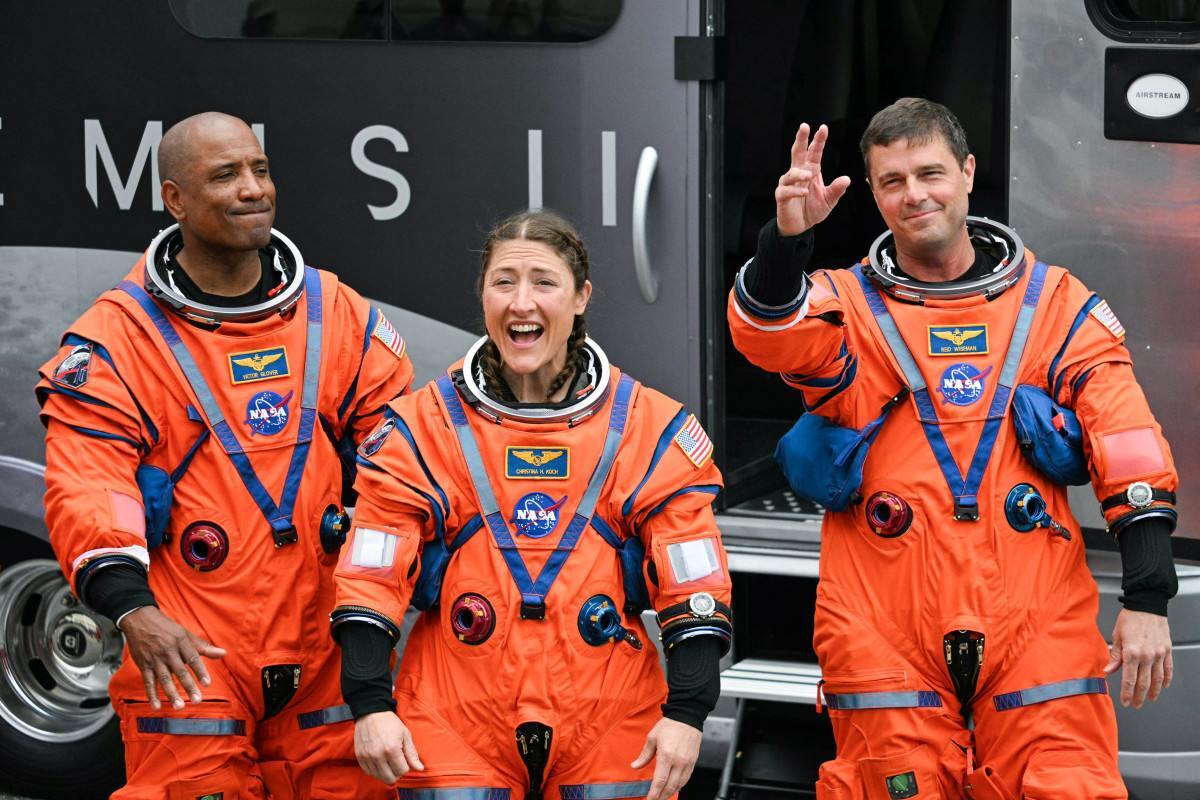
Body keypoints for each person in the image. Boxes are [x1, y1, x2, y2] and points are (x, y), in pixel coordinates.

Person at [728, 98, 1178, 799]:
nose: (915, 195)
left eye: (930, 172)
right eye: (893, 181)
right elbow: (768, 334)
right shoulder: (848, 307)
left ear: (967, 173)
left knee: (1068, 784)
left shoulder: (1052, 307)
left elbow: (1128, 440)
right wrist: (787, 239)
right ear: (873, 196)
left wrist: (1148, 596)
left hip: (1035, 616)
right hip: (884, 620)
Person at [37, 112, 413, 799]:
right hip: (191, 643)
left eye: (259, 170)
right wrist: (133, 612)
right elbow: (89, 487)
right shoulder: (120, 340)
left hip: (327, 639)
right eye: (225, 175)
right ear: (175, 199)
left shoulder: (336, 315)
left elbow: (401, 467)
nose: (252, 189)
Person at [331, 210, 733, 799]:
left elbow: (693, 585)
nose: (522, 303)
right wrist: (369, 703)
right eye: (504, 282)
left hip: (609, 712)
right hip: (455, 713)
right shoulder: (425, 426)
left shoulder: (648, 427)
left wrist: (688, 713)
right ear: (482, 295)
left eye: (543, 282)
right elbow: (371, 576)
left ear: (580, 298)